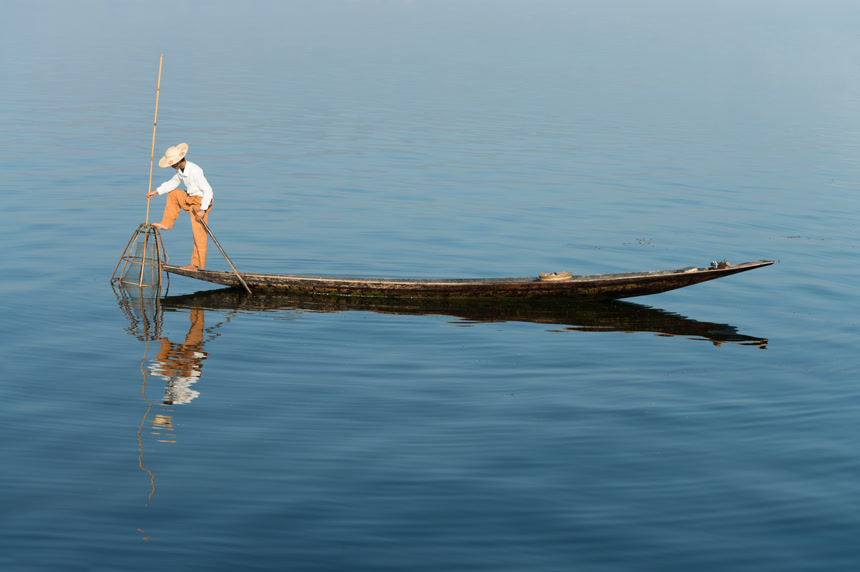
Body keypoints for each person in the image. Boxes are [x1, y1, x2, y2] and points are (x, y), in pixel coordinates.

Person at [145, 143, 214, 271]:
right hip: (190, 198)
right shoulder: (180, 170)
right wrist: (156, 191)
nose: (171, 166)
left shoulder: (194, 171)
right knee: (174, 194)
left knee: (198, 234)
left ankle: (195, 265)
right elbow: (173, 183)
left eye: (171, 163)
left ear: (178, 161)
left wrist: (202, 210)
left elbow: (208, 191)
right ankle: (166, 223)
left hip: (201, 202)